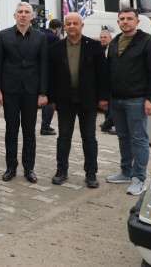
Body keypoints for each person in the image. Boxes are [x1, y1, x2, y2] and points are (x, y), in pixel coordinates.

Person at [105, 8, 151, 196]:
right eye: (121, 19)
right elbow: (110, 70)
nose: (125, 21)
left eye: (129, 18)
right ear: (118, 22)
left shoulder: (148, 42)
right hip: (117, 100)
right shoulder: (115, 42)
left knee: (139, 139)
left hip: (137, 100)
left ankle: (139, 178)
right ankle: (125, 172)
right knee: (123, 138)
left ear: (137, 21)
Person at [48, 13, 108, 189]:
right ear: (64, 27)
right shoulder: (56, 48)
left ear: (82, 25)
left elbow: (103, 74)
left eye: (75, 23)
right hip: (65, 101)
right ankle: (61, 171)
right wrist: (51, 99)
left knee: (89, 138)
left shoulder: (94, 46)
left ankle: (91, 174)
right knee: (63, 137)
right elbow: (51, 77)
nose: (72, 26)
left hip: (88, 101)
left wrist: (103, 98)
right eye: (68, 23)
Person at [0, 2, 48, 184]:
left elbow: (44, 66)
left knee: (29, 131)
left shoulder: (40, 37)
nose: (23, 15)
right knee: (11, 129)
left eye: (26, 12)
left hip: (31, 91)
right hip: (10, 91)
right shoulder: (3, 36)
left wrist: (43, 92)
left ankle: (29, 168)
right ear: (15, 15)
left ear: (32, 16)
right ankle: (11, 167)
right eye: (20, 12)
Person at [41, 19, 62, 136]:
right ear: (58, 28)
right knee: (51, 100)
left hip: (39, 71)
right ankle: (45, 126)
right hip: (51, 73)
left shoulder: (40, 34)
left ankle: (44, 125)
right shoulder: (54, 38)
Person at [98, 27, 116, 134]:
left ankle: (109, 124)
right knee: (106, 105)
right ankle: (107, 122)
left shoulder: (113, 48)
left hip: (113, 82)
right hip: (104, 82)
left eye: (105, 37)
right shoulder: (101, 48)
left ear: (110, 38)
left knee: (112, 106)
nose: (103, 39)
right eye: (101, 37)